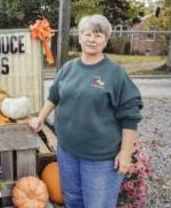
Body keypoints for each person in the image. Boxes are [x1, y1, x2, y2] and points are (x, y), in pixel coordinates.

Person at [29, 15, 143, 208]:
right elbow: (54, 96)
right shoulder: (68, 68)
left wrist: (125, 153)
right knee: (72, 200)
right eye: (87, 34)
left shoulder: (115, 74)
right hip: (67, 152)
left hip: (101, 159)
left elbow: (130, 116)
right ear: (80, 37)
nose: (91, 39)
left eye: (98, 35)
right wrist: (40, 117)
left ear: (106, 40)